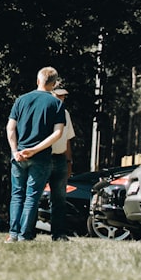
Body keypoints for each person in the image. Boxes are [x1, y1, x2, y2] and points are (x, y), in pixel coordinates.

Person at [6, 67, 65, 242]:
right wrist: (35, 150)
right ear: (54, 84)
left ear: (38, 80)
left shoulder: (21, 100)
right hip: (40, 158)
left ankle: (13, 235)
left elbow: (10, 128)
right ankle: (24, 235)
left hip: (19, 157)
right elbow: (58, 134)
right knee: (32, 197)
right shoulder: (56, 104)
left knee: (17, 195)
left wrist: (15, 151)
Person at [48, 87, 77, 241]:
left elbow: (67, 140)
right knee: (34, 196)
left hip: (60, 159)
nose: (61, 99)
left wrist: (69, 162)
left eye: (63, 96)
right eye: (58, 96)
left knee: (59, 199)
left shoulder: (65, 114)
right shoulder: (45, 110)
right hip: (43, 157)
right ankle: (26, 232)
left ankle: (59, 233)